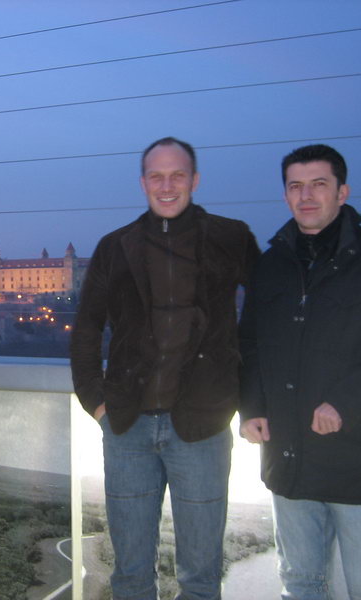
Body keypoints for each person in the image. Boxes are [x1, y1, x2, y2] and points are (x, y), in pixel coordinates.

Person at [239, 144, 361, 600]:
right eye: (296, 186)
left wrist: (345, 402)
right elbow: (249, 343)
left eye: (319, 184)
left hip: (359, 466)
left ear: (342, 192)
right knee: (300, 585)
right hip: (288, 461)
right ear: (285, 195)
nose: (306, 195)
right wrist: (251, 406)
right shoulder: (271, 265)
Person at [70, 136, 259, 600]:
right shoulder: (115, 247)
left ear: (195, 180)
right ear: (143, 183)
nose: (167, 185)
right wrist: (97, 404)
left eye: (177, 175)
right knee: (130, 576)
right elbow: (87, 328)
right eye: (157, 176)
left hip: (203, 425)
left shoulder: (231, 237)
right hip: (127, 426)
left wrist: (247, 399)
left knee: (200, 578)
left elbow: (266, 317)